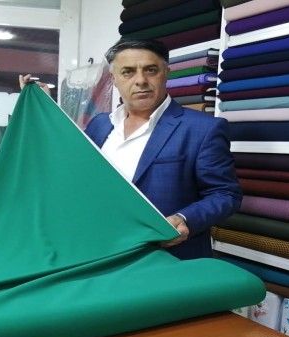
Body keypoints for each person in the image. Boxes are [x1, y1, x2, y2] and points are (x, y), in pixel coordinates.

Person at [20, 38, 241, 260]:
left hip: (167, 255)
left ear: (166, 73)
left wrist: (185, 219)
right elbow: (75, 172)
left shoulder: (203, 129)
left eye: (151, 70)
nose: (141, 81)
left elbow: (225, 194)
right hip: (100, 251)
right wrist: (43, 108)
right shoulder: (99, 125)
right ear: (114, 79)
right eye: (128, 72)